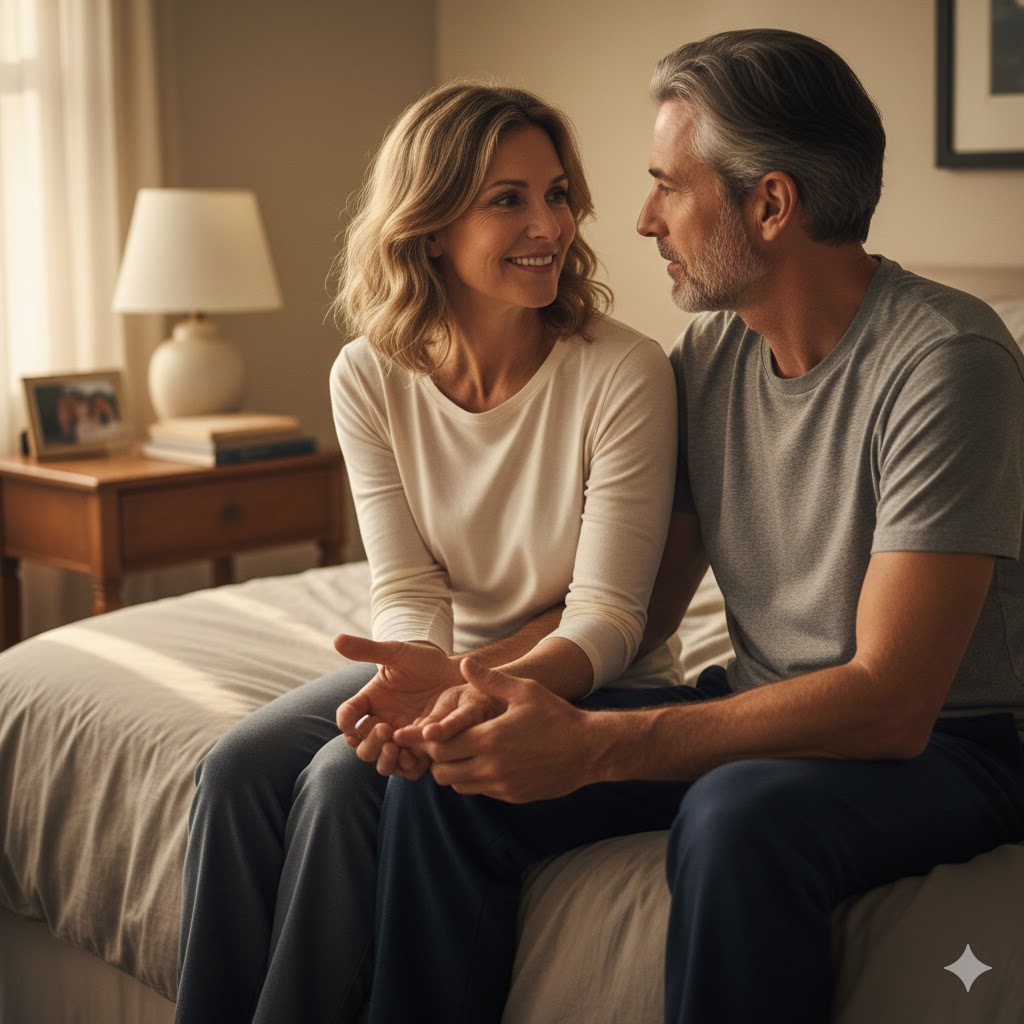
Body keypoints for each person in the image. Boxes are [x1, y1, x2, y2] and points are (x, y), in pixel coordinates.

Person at [358, 29, 1024, 1024]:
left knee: (735, 817)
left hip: (957, 745)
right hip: (759, 707)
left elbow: (891, 701)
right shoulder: (708, 359)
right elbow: (629, 612)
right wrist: (474, 688)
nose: (637, 218)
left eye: (669, 185)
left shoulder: (946, 359)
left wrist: (597, 749)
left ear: (769, 203)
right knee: (449, 781)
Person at [171, 82, 679, 1024]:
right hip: (442, 664)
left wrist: (470, 682)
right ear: (431, 225)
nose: (550, 224)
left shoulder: (624, 370)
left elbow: (610, 615)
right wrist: (421, 666)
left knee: (335, 782)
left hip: (588, 677)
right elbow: (406, 581)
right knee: (236, 768)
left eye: (558, 193)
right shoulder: (368, 373)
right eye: (509, 198)